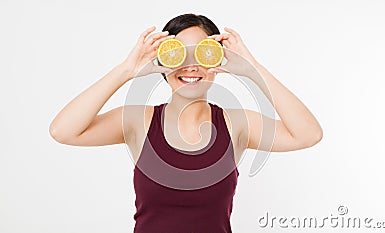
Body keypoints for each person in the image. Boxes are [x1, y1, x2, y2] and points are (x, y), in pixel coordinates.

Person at [49, 13, 323, 233]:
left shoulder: (237, 124)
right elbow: (63, 131)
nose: (191, 66)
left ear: (217, 60)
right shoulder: (138, 121)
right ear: (164, 60)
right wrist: (126, 71)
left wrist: (253, 70)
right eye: (179, 53)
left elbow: (308, 135)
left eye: (201, 53)